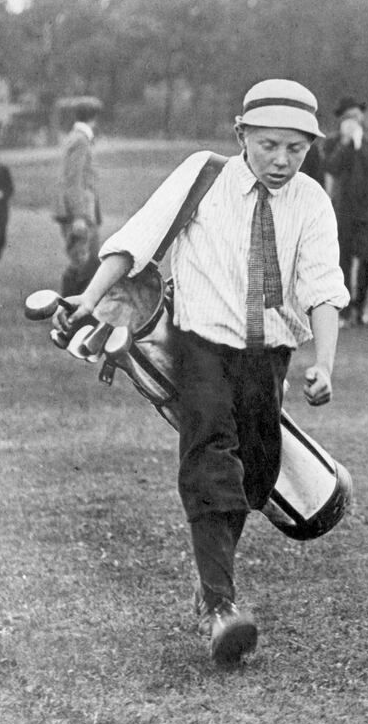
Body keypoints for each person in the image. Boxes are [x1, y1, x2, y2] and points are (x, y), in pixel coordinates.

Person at [58, 79, 349, 666]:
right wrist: (88, 301)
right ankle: (221, 606)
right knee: (211, 451)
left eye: (296, 149)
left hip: (268, 356)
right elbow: (135, 242)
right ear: (240, 134)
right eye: (269, 145)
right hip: (201, 345)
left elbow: (322, 287)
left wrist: (325, 362)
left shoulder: (312, 201)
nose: (281, 160)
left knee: (258, 471)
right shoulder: (203, 175)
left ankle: (212, 585)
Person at [324, 96, 368, 326]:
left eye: (357, 116)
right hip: (343, 211)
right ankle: (344, 309)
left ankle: (360, 303)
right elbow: (332, 167)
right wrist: (346, 144)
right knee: (342, 261)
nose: (353, 121)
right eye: (348, 117)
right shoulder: (333, 143)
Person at [54, 97, 103, 297]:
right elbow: (73, 180)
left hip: (82, 210)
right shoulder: (81, 140)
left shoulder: (77, 137)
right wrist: (78, 216)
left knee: (88, 263)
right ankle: (68, 313)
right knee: (85, 263)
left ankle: (75, 313)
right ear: (94, 117)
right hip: (79, 213)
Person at [0, 154, 13, 263]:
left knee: (0, 237)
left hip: (1, 208)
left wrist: (2, 194)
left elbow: (10, 188)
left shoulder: (3, 170)